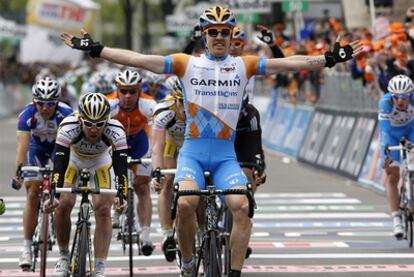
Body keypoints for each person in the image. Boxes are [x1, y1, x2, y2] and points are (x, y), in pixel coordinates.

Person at [61, 6, 362, 276]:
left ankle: (232, 272)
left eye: (225, 32)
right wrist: (98, 49)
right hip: (192, 153)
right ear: (204, 36)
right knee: (187, 204)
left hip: (225, 157)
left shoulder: (243, 64)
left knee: (241, 207)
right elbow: (139, 59)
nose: (219, 37)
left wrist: (330, 58)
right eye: (213, 32)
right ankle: (189, 263)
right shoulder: (186, 64)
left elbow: (291, 64)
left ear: (232, 36)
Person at [46, 93, 128, 277]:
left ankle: (99, 267)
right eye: (89, 123)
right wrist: (54, 196)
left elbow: (121, 168)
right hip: (73, 160)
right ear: (80, 119)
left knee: (104, 209)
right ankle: (64, 257)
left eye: (99, 124)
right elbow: (59, 164)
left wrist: (122, 195)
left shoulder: (117, 130)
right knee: (63, 205)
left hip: (100, 161)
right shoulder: (68, 126)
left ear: (107, 120)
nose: (94, 129)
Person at [11, 77, 73, 271]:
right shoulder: (27, 115)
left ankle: (63, 249)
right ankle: (27, 248)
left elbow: (72, 148)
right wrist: (18, 173)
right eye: (40, 103)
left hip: (59, 148)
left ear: (56, 102)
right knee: (32, 194)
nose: (44, 108)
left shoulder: (67, 115)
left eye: (49, 104)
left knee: (63, 195)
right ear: (34, 101)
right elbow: (22, 147)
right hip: (36, 148)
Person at [109, 69, 157, 255]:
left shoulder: (148, 103)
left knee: (142, 187)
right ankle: (115, 207)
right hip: (115, 142)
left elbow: (155, 133)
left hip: (139, 143)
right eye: (123, 91)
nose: (128, 96)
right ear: (117, 90)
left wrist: (155, 156)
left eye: (132, 91)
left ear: (139, 90)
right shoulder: (109, 104)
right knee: (111, 178)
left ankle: (145, 233)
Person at [151, 76, 186, 261]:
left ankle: (205, 229)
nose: (186, 107)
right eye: (182, 101)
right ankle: (167, 234)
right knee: (167, 181)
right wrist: (156, 173)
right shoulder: (164, 110)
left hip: (194, 144)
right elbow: (156, 147)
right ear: (174, 96)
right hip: (171, 144)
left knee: (202, 184)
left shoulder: (204, 107)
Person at [379, 74, 414, 239]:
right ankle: (396, 220)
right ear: (391, 96)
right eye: (397, 97)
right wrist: (386, 149)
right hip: (391, 135)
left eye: (405, 96)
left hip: (410, 131)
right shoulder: (385, 103)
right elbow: (384, 130)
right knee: (392, 176)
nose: (401, 101)